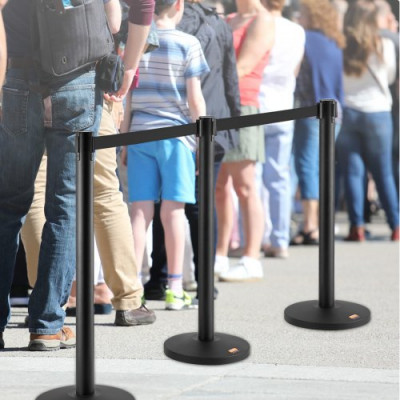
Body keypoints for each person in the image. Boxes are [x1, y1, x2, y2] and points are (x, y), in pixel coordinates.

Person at [0, 0, 154, 351]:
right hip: (78, 79)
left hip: (18, 78)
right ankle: (47, 326)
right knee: (65, 203)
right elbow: (115, 21)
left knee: (9, 206)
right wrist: (127, 67)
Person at [143, 0, 240, 301]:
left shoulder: (166, 24)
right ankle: (204, 280)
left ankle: (159, 278)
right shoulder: (219, 23)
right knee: (200, 205)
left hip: (172, 125)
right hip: (213, 123)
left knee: (163, 202)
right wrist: (233, 126)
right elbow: (230, 79)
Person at [123, 0, 209, 310]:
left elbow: (128, 95)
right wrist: (202, 140)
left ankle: (131, 287)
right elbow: (195, 100)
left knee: (139, 211)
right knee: (173, 211)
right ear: (177, 5)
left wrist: (123, 138)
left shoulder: (138, 41)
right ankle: (175, 285)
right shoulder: (188, 43)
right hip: (176, 136)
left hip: (140, 132)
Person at [215, 0, 275, 282]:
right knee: (219, 185)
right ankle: (220, 254)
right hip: (220, 106)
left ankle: (252, 258)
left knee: (245, 185)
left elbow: (243, 67)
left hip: (243, 106)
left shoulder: (262, 20)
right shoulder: (229, 18)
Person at [336, 0, 399, 241]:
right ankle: (395, 225)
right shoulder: (383, 43)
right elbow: (391, 76)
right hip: (379, 112)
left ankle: (357, 227)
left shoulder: (341, 44)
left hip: (349, 110)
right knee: (383, 172)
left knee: (353, 171)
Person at [290, 0, 345, 246]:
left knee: (307, 166)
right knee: (321, 167)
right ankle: (318, 223)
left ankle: (311, 224)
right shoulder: (335, 41)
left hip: (311, 109)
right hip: (335, 110)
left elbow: (297, 75)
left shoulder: (306, 39)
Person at [258, 0, 305, 259]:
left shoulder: (260, 24)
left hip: (259, 103)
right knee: (279, 178)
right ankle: (280, 238)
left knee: (254, 178)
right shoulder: (297, 30)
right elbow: (295, 70)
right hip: (284, 105)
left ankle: (258, 236)